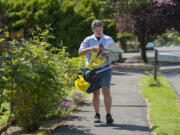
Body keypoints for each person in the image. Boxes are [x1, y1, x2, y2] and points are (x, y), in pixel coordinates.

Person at [78, 19, 115, 124]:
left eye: (100, 29)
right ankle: (97, 115)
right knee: (95, 93)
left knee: (106, 90)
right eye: (96, 30)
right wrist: (91, 49)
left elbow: (115, 53)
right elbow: (80, 52)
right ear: (93, 30)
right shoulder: (88, 39)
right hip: (93, 71)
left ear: (103, 29)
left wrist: (107, 53)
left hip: (106, 69)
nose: (99, 31)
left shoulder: (108, 39)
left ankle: (108, 115)